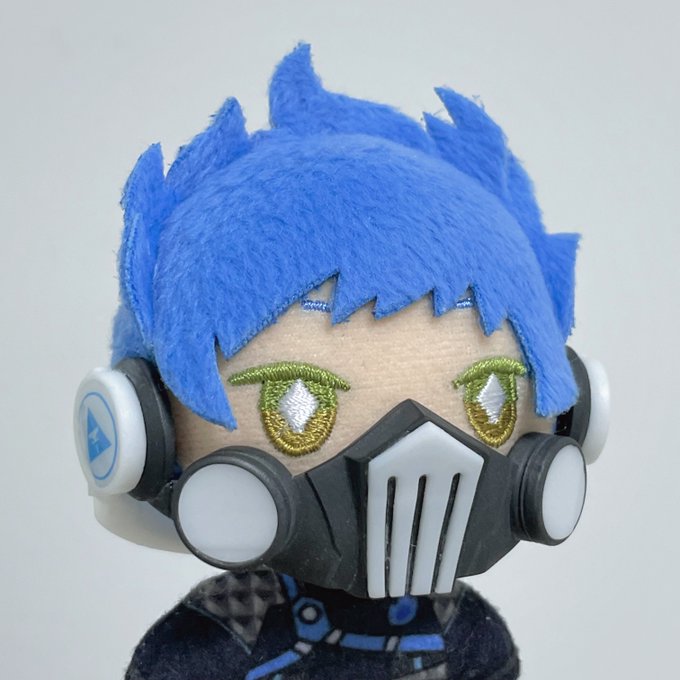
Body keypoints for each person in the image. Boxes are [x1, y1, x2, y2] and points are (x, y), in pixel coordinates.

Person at [74, 44, 607, 679]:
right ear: (143, 430)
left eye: (489, 398)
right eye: (297, 405)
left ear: (570, 414)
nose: (416, 455)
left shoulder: (465, 636)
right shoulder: (227, 631)